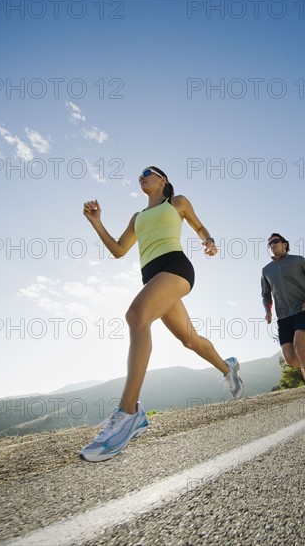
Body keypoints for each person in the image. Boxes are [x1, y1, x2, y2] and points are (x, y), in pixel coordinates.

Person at [80, 166, 243, 462]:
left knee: (136, 316)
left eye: (148, 172)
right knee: (190, 339)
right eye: (139, 174)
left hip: (176, 268)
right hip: (152, 277)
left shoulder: (176, 202)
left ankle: (129, 412)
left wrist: (207, 241)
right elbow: (118, 250)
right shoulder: (137, 217)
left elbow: (198, 225)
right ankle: (227, 367)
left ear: (163, 179)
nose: (141, 176)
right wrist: (96, 222)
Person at [261, 233, 305, 412]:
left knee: (300, 346)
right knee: (291, 359)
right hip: (283, 317)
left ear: (285, 244)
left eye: (275, 242)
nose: (272, 245)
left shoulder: (298, 260)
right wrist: (267, 310)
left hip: (303, 310)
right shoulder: (266, 270)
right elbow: (265, 294)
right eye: (269, 244)